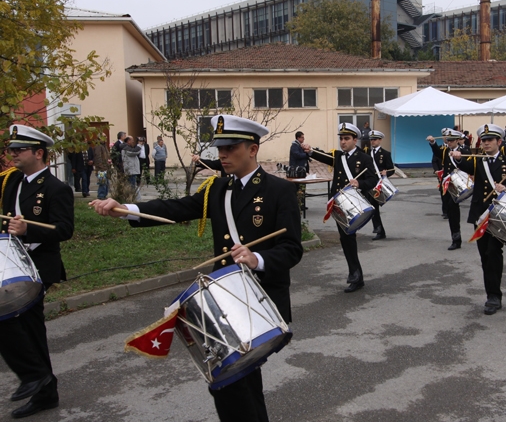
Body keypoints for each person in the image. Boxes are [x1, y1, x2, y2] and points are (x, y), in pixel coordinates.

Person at [91, 114, 302, 422]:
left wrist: (257, 259)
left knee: (231, 382)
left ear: (253, 149)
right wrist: (125, 209)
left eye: (230, 148)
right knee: (236, 382)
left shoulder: (278, 191)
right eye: (219, 148)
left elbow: (292, 249)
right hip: (225, 302)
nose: (222, 155)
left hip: (260, 303)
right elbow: (176, 208)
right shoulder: (216, 189)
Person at [0, 124, 74, 419]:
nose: (12, 154)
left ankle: (36, 379)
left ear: (39, 153)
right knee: (27, 327)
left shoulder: (57, 188)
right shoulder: (11, 182)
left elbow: (65, 229)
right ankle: (42, 384)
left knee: (16, 321)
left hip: (38, 266)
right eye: (10, 149)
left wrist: (27, 229)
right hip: (12, 262)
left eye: (19, 150)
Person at [451, 124, 506, 315]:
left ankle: (494, 296)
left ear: (499, 142)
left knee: (493, 253)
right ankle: (491, 292)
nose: (485, 143)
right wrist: (456, 155)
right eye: (483, 140)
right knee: (485, 256)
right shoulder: (477, 161)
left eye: (489, 140)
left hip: (499, 216)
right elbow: (462, 163)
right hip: (480, 215)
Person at [302, 123, 377, 293]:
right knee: (346, 241)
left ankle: (356, 276)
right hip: (338, 205)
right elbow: (324, 157)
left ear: (355, 140)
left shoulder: (364, 158)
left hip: (353, 205)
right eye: (341, 138)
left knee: (349, 240)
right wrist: (310, 150)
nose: (342, 142)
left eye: (346, 139)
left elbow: (373, 180)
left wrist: (360, 183)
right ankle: (356, 275)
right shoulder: (338, 156)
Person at [427, 128, 471, 250]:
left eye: (452, 140)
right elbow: (436, 152)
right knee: (452, 212)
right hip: (448, 184)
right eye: (448, 140)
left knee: (455, 210)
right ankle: (456, 238)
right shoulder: (445, 150)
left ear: (457, 140)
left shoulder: (465, 150)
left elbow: (470, 165)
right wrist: (432, 143)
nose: (449, 143)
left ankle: (458, 239)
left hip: (461, 183)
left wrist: (459, 158)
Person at [365, 130, 395, 241]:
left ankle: (378, 229)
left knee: (374, 206)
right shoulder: (367, 152)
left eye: (375, 139)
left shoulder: (385, 154)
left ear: (380, 140)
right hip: (369, 183)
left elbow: (391, 169)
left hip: (378, 185)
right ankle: (379, 230)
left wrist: (386, 173)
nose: (372, 141)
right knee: (372, 207)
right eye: (371, 140)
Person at [289, 131, 310, 210]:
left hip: (302, 169)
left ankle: (302, 204)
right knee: (298, 187)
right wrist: (306, 154)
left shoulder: (300, 145)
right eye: (302, 137)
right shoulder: (294, 146)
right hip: (297, 170)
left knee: (302, 187)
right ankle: (298, 205)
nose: (303, 139)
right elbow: (297, 155)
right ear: (298, 138)